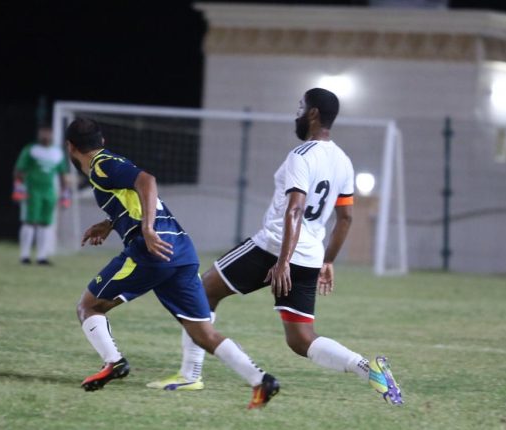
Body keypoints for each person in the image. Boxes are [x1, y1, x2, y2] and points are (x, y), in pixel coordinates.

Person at [147, 88, 403, 405]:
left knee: (201, 292)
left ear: (313, 114)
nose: (297, 113)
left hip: (273, 247)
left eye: (300, 107)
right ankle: (368, 369)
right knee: (301, 339)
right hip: (309, 256)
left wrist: (282, 262)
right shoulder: (343, 162)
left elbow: (294, 210)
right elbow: (346, 218)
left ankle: (190, 375)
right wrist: (327, 261)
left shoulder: (302, 156)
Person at [65, 118, 280, 409]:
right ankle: (261, 380)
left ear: (70, 147)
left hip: (151, 251)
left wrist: (147, 229)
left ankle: (114, 362)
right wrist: (109, 223)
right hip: (181, 252)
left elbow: (147, 181)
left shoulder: (101, 165)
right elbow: (132, 198)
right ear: (102, 140)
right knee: (203, 333)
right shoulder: (109, 163)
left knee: (88, 306)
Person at [12, 125, 71, 265]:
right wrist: (18, 188)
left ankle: (41, 257)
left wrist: (65, 193)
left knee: (45, 223)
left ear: (52, 134)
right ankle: (24, 255)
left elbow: (63, 174)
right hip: (32, 190)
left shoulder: (57, 152)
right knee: (30, 221)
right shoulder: (31, 150)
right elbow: (19, 170)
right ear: (38, 134)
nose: (45, 135)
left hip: (49, 192)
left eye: (48, 133)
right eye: (42, 133)